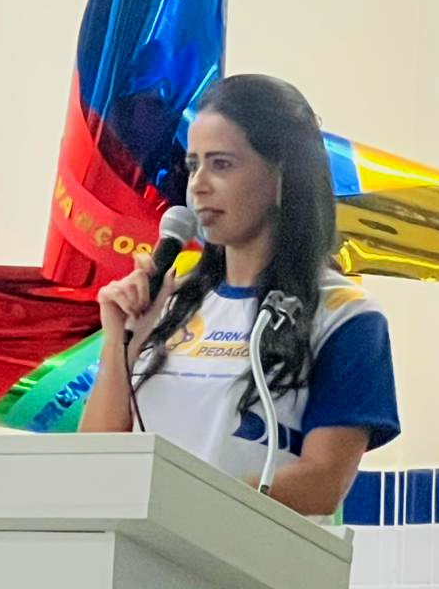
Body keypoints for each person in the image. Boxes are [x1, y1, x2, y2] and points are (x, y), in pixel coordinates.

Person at [79, 74, 400, 518]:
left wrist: (179, 506)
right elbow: (94, 465)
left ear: (281, 175)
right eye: (193, 165)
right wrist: (121, 341)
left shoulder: (345, 317)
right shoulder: (169, 303)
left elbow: (322, 483)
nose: (198, 185)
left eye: (222, 164)